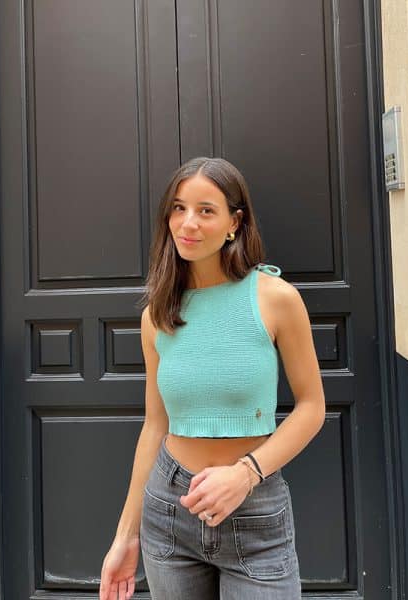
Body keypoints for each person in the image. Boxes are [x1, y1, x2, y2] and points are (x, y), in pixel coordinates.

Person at [99, 157, 325, 600]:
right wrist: (126, 536)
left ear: (234, 223)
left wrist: (246, 474)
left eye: (206, 210)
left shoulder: (276, 299)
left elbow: (311, 407)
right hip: (168, 511)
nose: (188, 223)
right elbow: (155, 426)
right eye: (179, 208)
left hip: (255, 511)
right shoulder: (157, 315)